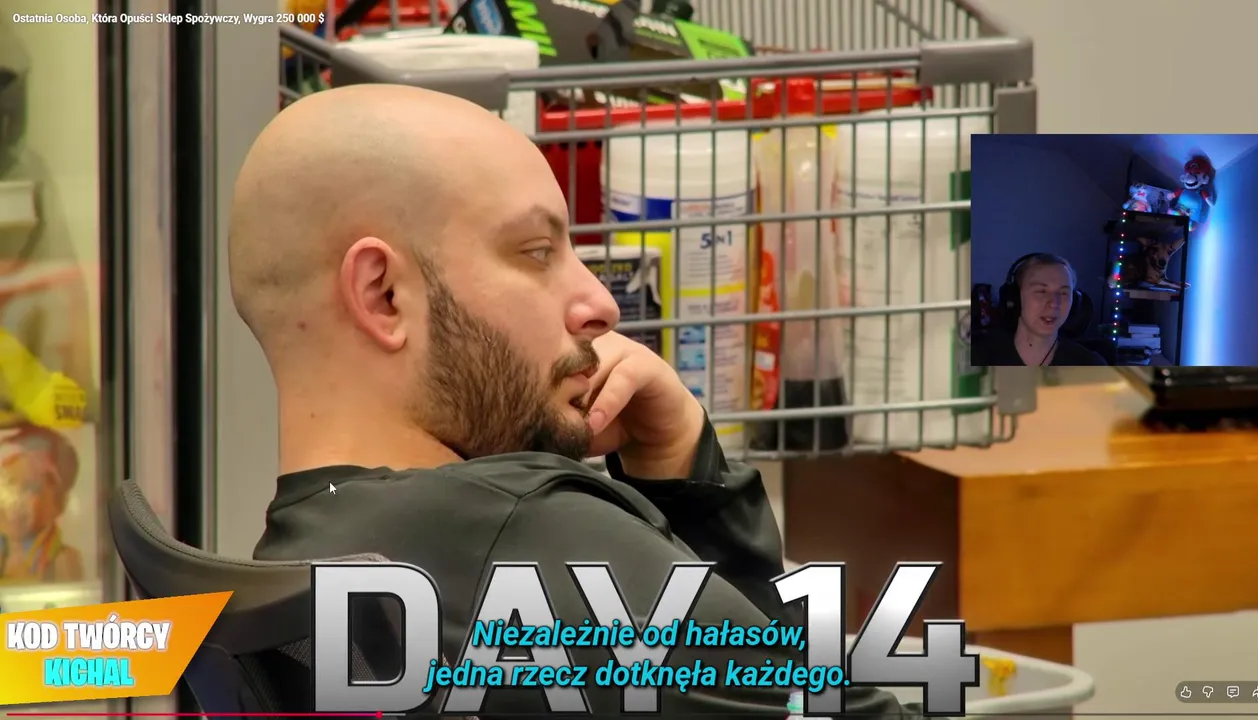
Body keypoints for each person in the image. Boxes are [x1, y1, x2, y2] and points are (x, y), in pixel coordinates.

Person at [230, 85, 925, 717]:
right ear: (384, 295)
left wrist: (680, 471)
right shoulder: (524, 534)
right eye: (536, 252)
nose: (599, 303)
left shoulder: (301, 565)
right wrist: (703, 494)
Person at [978, 254, 1106, 367]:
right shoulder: (978, 358)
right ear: (1015, 299)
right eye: (1041, 291)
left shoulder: (1091, 365)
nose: (1054, 303)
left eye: (1063, 293)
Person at [0, 424, 83, 583]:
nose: (15, 501)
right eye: (7, 485)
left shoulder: (61, 561)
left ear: (59, 503)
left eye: (30, 488)